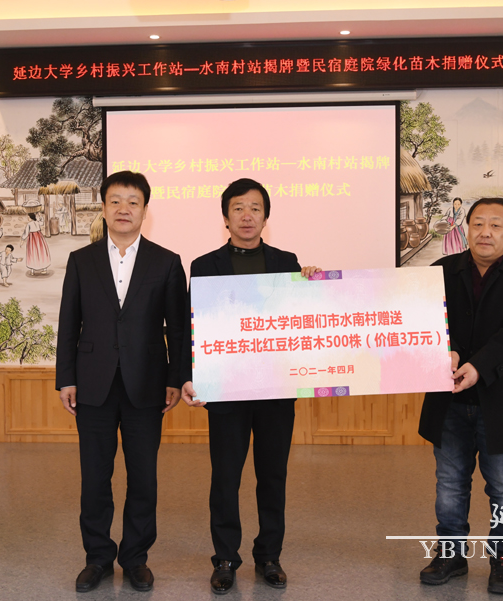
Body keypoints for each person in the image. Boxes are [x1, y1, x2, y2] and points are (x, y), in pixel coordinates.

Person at [180, 178, 320, 595]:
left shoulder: (287, 262)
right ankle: (225, 559)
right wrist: (189, 375)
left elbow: (303, 318)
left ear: (266, 216)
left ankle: (269, 556)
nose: (247, 215)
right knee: (225, 477)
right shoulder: (205, 266)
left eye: (255, 208)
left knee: (273, 476)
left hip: (275, 389)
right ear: (225, 218)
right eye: (238, 208)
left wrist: (315, 284)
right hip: (226, 390)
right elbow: (192, 327)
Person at [56, 171, 186, 593]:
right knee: (95, 478)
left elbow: (177, 329)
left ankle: (135, 558)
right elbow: (68, 324)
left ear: (145, 210)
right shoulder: (82, 260)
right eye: (115, 201)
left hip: (147, 384)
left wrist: (176, 377)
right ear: (104, 208)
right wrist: (66, 378)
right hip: (92, 384)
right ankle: (97, 558)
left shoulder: (167, 262)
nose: (124, 209)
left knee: (143, 478)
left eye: (133, 201)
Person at [419, 198, 503, 595]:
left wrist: (477, 366)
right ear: (467, 228)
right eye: (478, 223)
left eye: (496, 225)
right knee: (450, 484)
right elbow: (429, 321)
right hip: (450, 400)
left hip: (501, 401)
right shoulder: (441, 271)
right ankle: (451, 555)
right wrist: (450, 350)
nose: (485, 232)